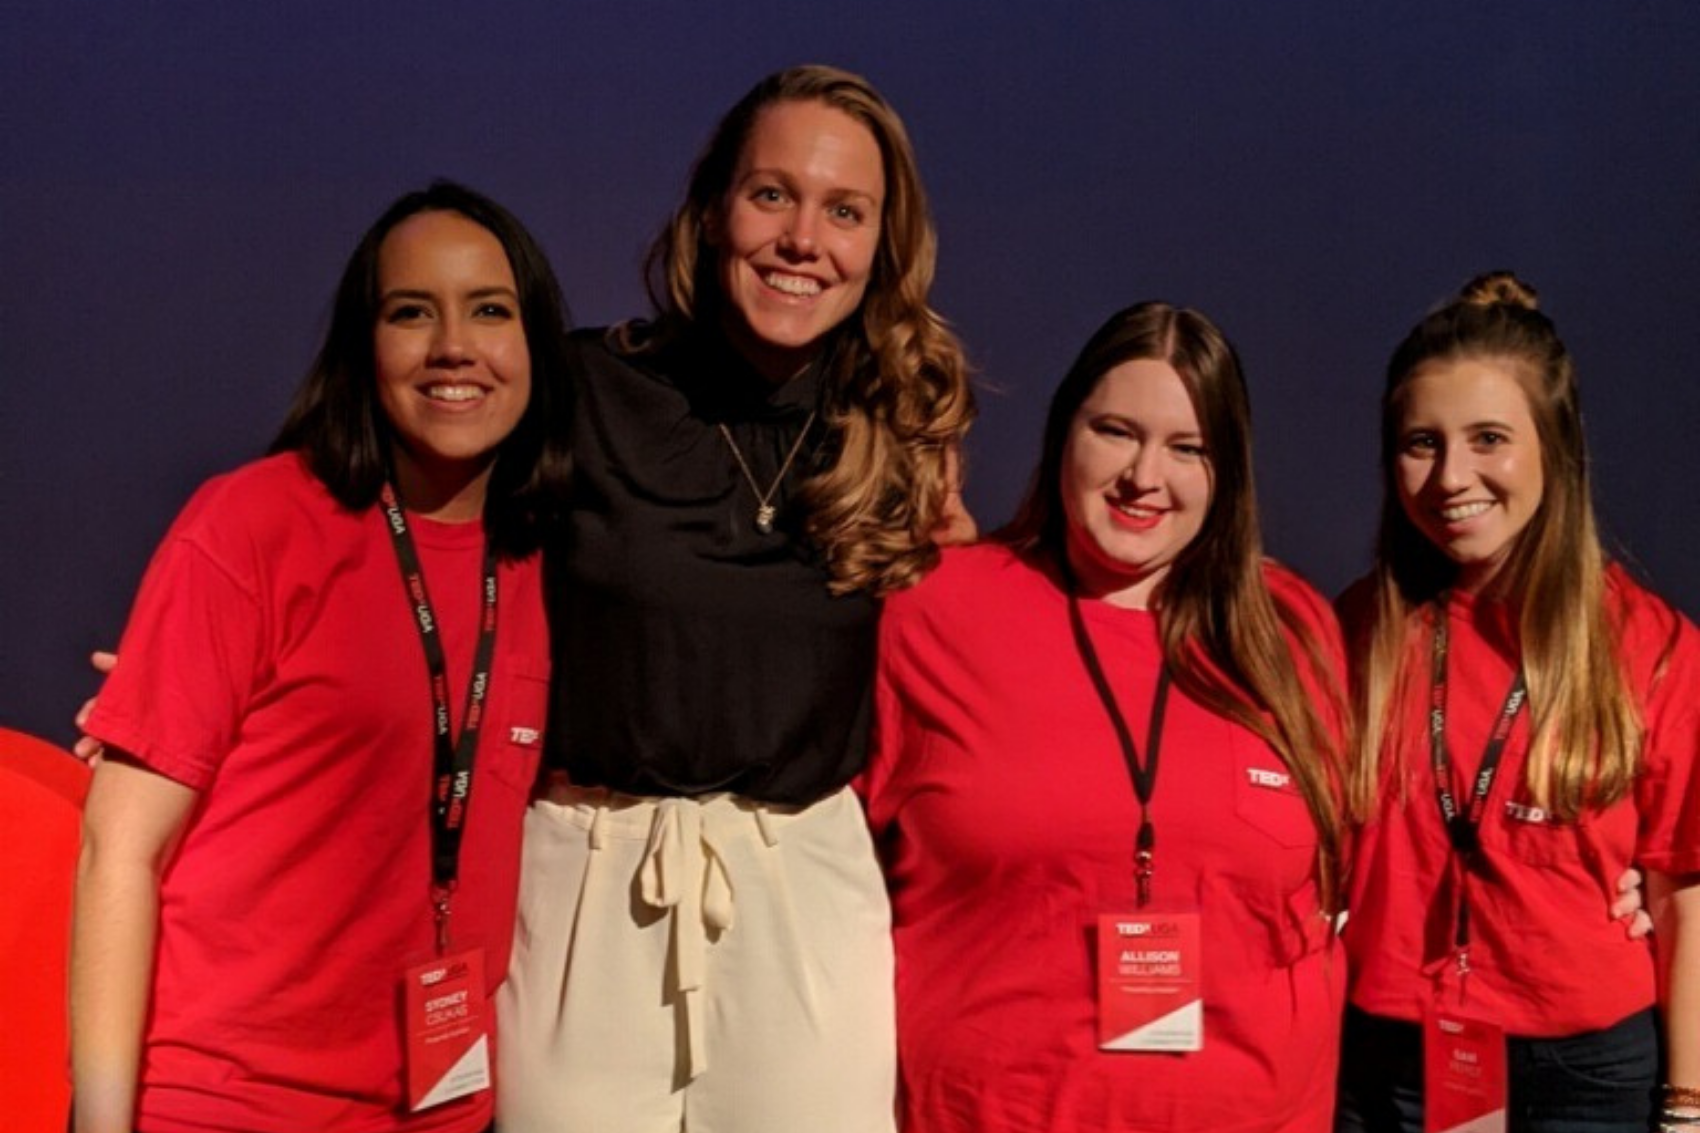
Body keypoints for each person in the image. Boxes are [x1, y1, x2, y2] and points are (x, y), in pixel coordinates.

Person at [495, 65, 974, 1133]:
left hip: (802, 887)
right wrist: (232, 663)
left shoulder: (897, 432)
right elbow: (395, 526)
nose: (803, 238)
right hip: (589, 874)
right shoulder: (580, 391)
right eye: (771, 195)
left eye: (843, 211)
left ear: (880, 248)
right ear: (710, 209)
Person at [71, 182, 571, 1133]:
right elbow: (117, 851)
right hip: (228, 1103)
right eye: (411, 312)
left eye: (490, 311)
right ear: (364, 349)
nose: (453, 345)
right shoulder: (254, 524)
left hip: (440, 1109)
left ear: (539, 347)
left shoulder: (553, 564)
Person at [861, 301, 1350, 1131]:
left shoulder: (1293, 630)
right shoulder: (933, 610)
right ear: (1064, 436)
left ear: (1225, 471)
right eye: (1117, 431)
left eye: (1187, 447)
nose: (1143, 476)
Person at [1334, 272, 1700, 1133]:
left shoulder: (1652, 647)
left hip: (1584, 1076)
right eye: (1421, 442)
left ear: (1554, 445)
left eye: (1489, 438)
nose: (1452, 475)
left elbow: (1684, 896)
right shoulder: (1355, 631)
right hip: (1389, 1059)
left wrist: (1688, 1108)